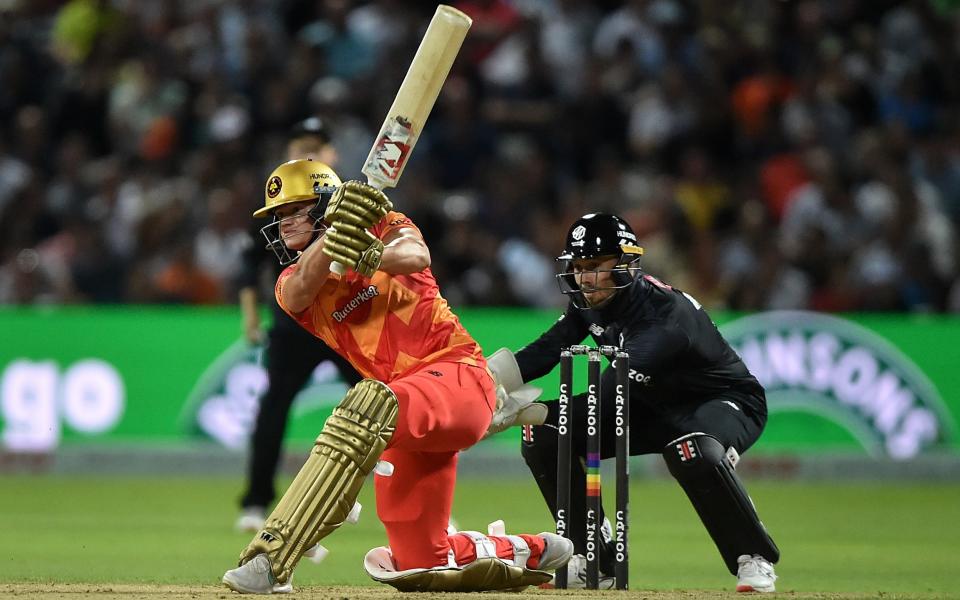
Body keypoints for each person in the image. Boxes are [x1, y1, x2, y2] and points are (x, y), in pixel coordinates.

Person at [221, 158, 574, 594]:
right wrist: (334, 238)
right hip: (406, 419)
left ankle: (272, 558)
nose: (284, 223)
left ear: (326, 206)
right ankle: (531, 551)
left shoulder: (385, 223)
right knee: (417, 563)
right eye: (278, 216)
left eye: (295, 210)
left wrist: (371, 252)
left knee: (366, 403)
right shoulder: (293, 281)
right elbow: (299, 288)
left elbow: (415, 254)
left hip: (458, 376)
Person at [491, 213, 780, 592]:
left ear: (626, 263)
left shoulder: (664, 318)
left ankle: (754, 557)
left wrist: (530, 409)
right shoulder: (589, 301)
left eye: (594, 266)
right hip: (649, 404)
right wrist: (484, 381)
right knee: (542, 434)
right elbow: (547, 348)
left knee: (692, 451)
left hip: (719, 402)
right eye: (577, 267)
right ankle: (595, 559)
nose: (583, 277)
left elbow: (608, 395)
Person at [235, 117, 362, 533]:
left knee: (384, 408)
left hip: (347, 323)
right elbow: (250, 267)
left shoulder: (350, 202)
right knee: (273, 409)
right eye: (300, 146)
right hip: (295, 326)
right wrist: (251, 317)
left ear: (332, 156)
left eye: (316, 147)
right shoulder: (281, 208)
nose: (307, 154)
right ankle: (255, 502)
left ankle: (408, 493)